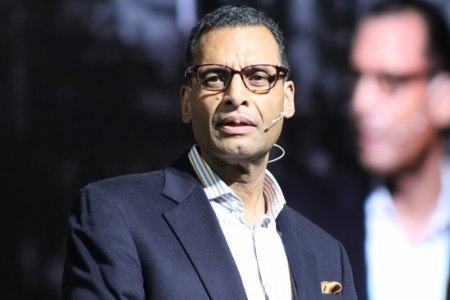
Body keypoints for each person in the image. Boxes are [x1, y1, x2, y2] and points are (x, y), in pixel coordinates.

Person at [62, 5, 357, 300]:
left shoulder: (328, 255)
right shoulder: (116, 214)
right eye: (215, 77)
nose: (236, 96)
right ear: (187, 102)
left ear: (288, 99)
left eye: (258, 77)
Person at [335, 1, 450, 299]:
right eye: (357, 77)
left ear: (444, 96)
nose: (361, 102)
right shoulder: (314, 222)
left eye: (390, 81)